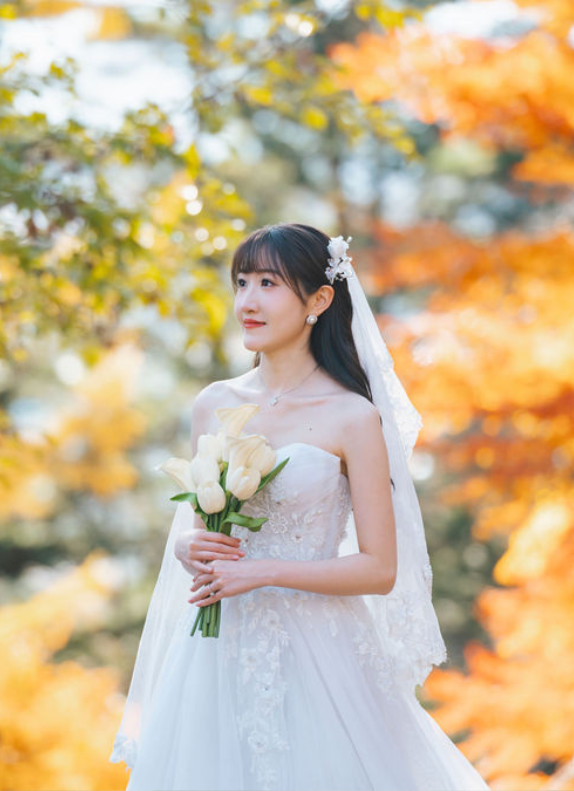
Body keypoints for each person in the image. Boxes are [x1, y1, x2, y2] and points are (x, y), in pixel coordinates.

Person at [110, 223, 489, 790]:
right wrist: (190, 547)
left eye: (268, 283)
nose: (248, 301)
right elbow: (204, 536)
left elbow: (379, 568)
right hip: (216, 652)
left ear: (319, 299)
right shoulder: (214, 404)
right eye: (241, 282)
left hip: (320, 655)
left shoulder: (352, 417)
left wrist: (263, 572)